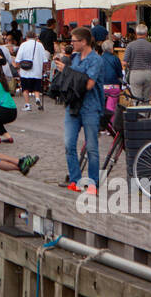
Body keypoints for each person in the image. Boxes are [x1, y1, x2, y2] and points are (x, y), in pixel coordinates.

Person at [57, 26, 105, 193]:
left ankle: (93, 183)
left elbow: (89, 84)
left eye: (74, 40)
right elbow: (73, 80)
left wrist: (68, 72)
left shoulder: (96, 60)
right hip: (73, 105)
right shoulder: (75, 58)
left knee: (92, 147)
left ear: (83, 42)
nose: (71, 43)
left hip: (90, 107)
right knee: (69, 144)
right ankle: (75, 179)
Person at [123, 23, 151, 103]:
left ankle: (139, 114)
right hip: (148, 73)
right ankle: (146, 114)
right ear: (146, 34)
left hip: (135, 73)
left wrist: (129, 66)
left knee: (136, 99)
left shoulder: (130, 46)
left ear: (136, 33)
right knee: (146, 99)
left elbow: (124, 63)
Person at [15, 29, 48, 111]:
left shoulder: (23, 45)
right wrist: (43, 69)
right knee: (36, 88)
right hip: (37, 71)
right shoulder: (40, 45)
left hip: (25, 71)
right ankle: (37, 98)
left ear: (26, 37)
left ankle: (27, 104)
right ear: (35, 37)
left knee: (25, 89)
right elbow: (45, 60)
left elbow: (18, 59)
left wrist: (18, 67)